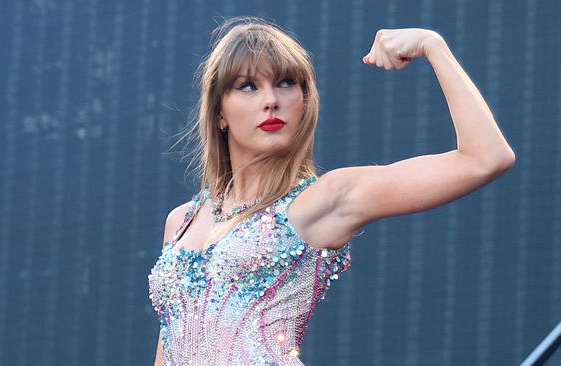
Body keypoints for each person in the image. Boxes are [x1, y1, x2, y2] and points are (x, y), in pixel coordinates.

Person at [148, 16, 515, 366]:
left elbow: (486, 158)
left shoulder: (321, 201)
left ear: (305, 102)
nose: (271, 100)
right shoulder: (181, 221)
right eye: (248, 86)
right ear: (219, 113)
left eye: (286, 83)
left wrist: (433, 46)